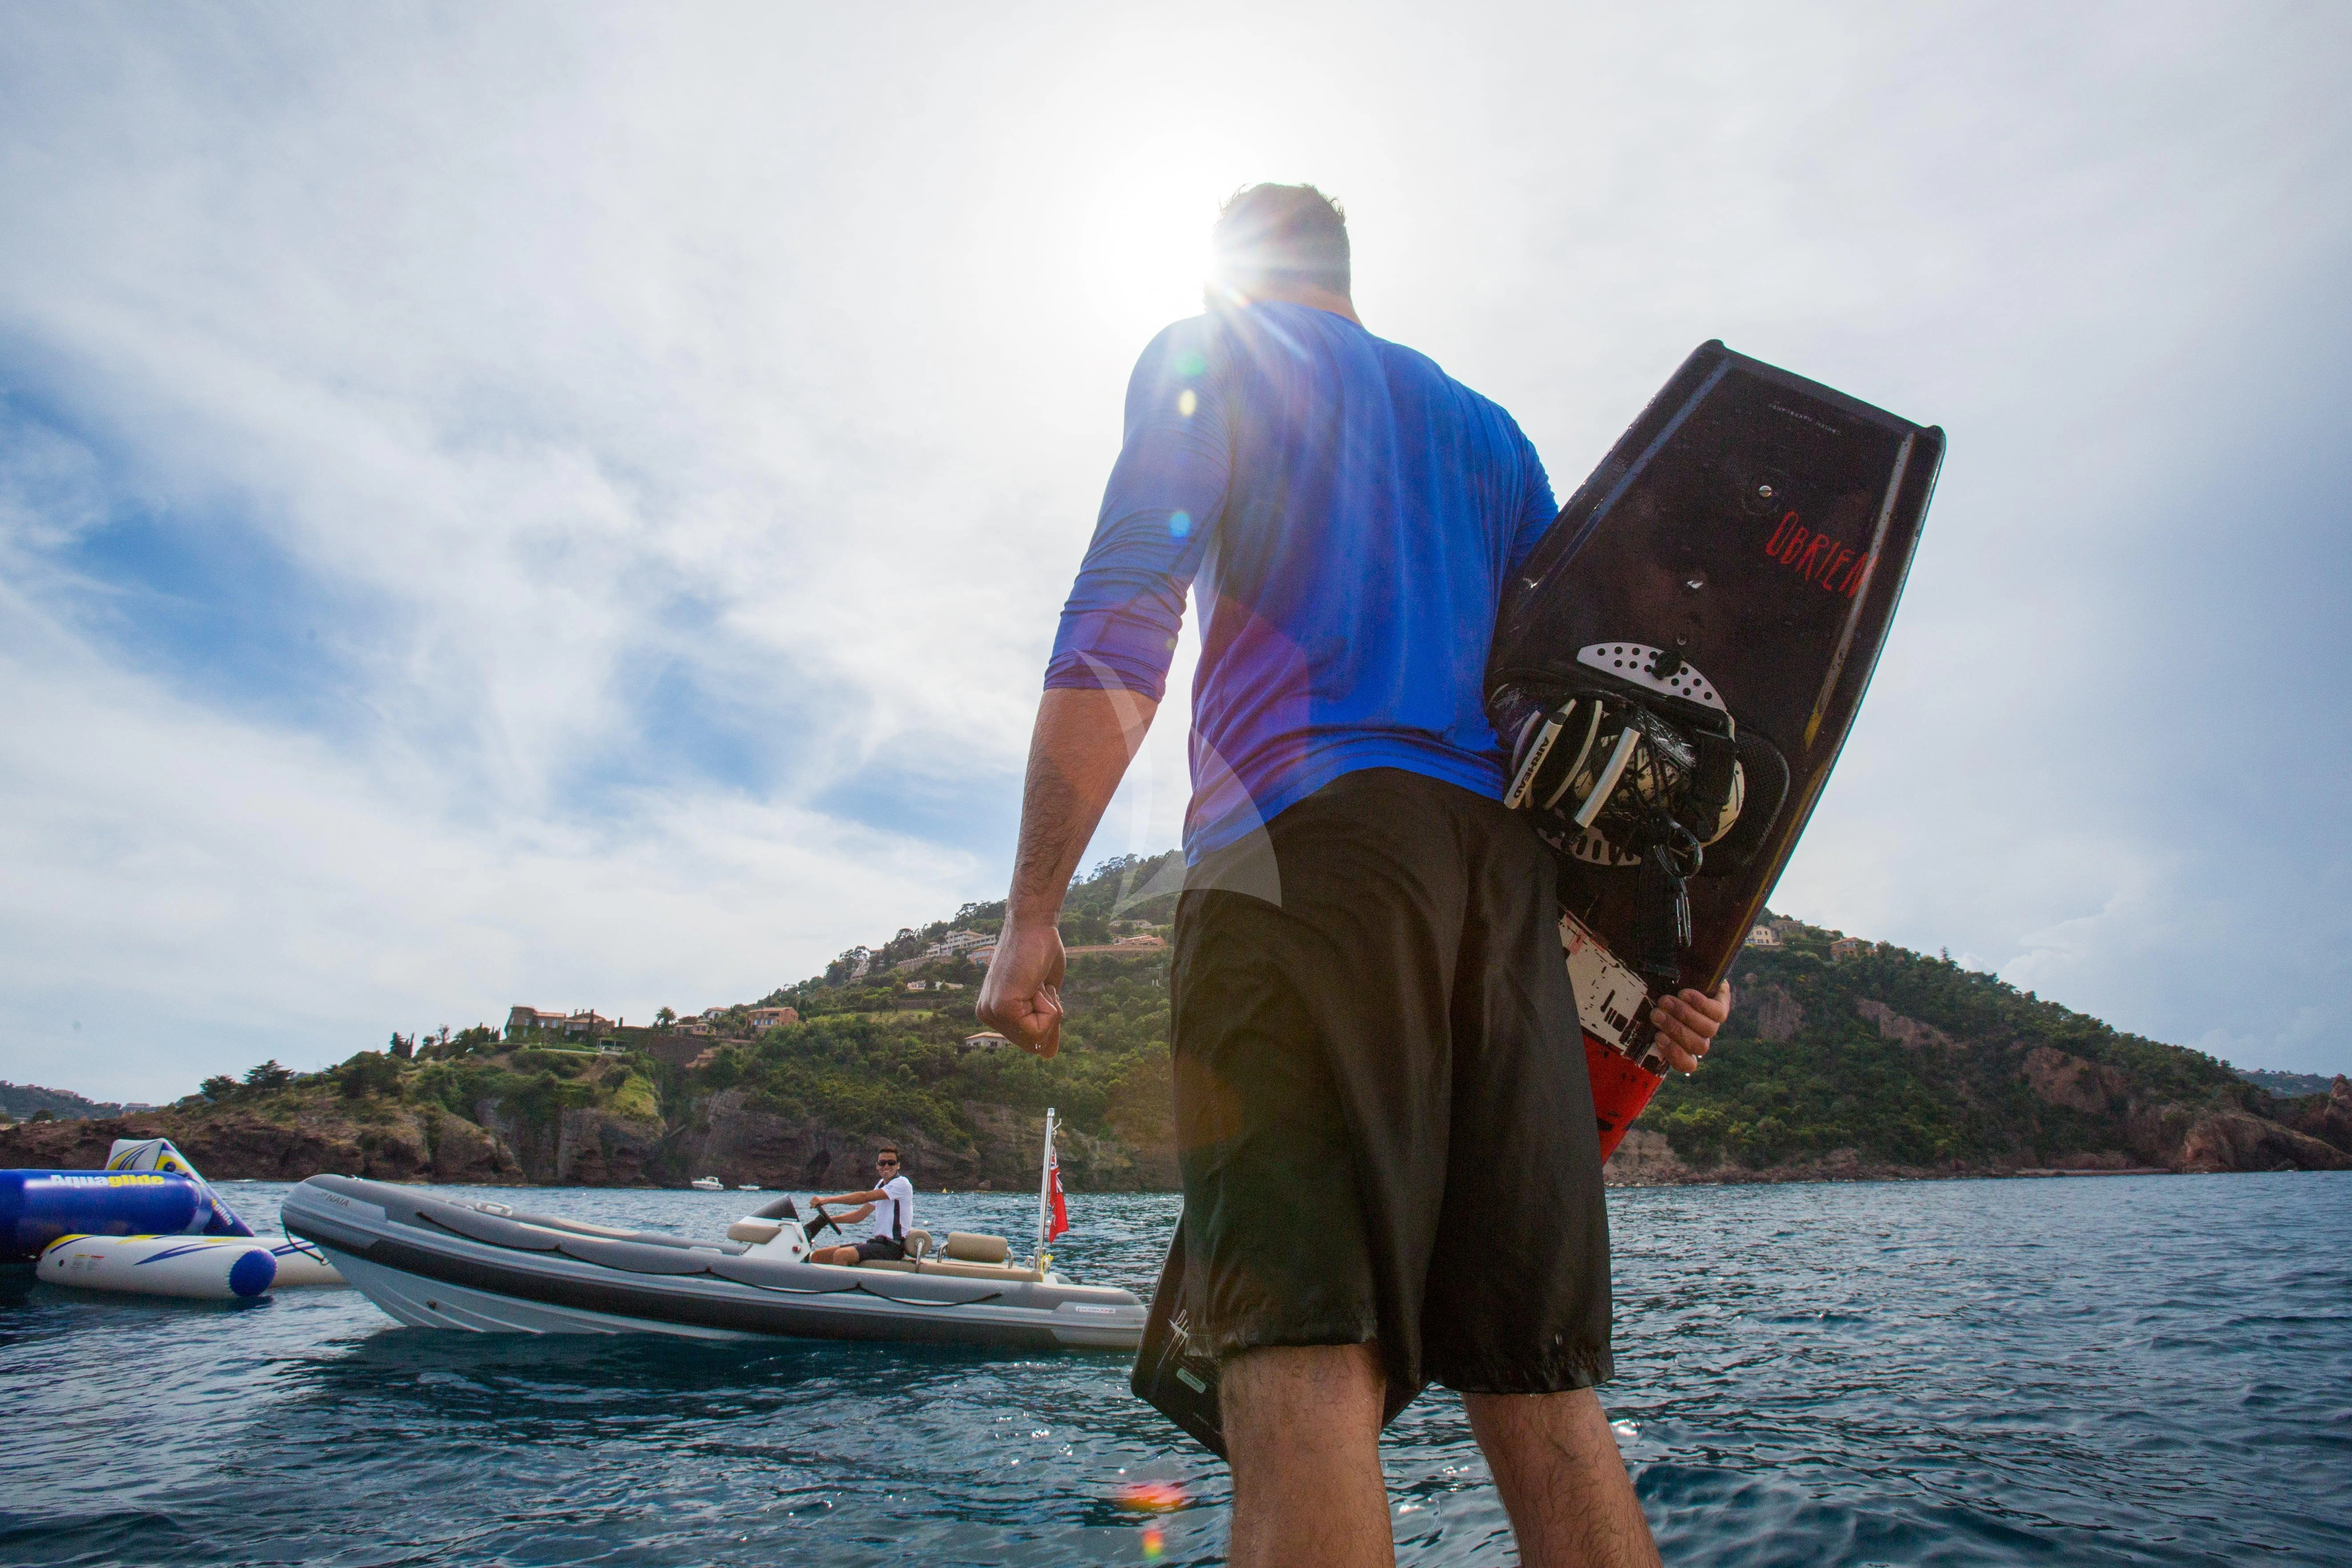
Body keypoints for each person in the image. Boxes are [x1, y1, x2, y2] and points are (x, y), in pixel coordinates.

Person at [976, 184, 1732, 1567]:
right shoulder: (1492, 437)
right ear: (1345, 273)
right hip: (1499, 895)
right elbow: (1594, 721)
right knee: (1538, 1384)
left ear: (1238, 276)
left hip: (1300, 858)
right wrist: (1665, 964)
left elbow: (1124, 609)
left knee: (1300, 1364)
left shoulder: (1215, 358)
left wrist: (1032, 911)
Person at [810, 1147, 914, 1266]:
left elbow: (864, 1197)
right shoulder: (881, 1185)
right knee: (819, 1256)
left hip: (893, 1248)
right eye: (882, 1163)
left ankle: (845, 1285)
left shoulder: (902, 1184)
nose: (886, 1166)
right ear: (877, 1166)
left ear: (898, 1166)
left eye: (891, 1163)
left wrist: (826, 1200)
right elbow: (859, 1215)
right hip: (877, 1244)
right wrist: (830, 1220)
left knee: (842, 1255)